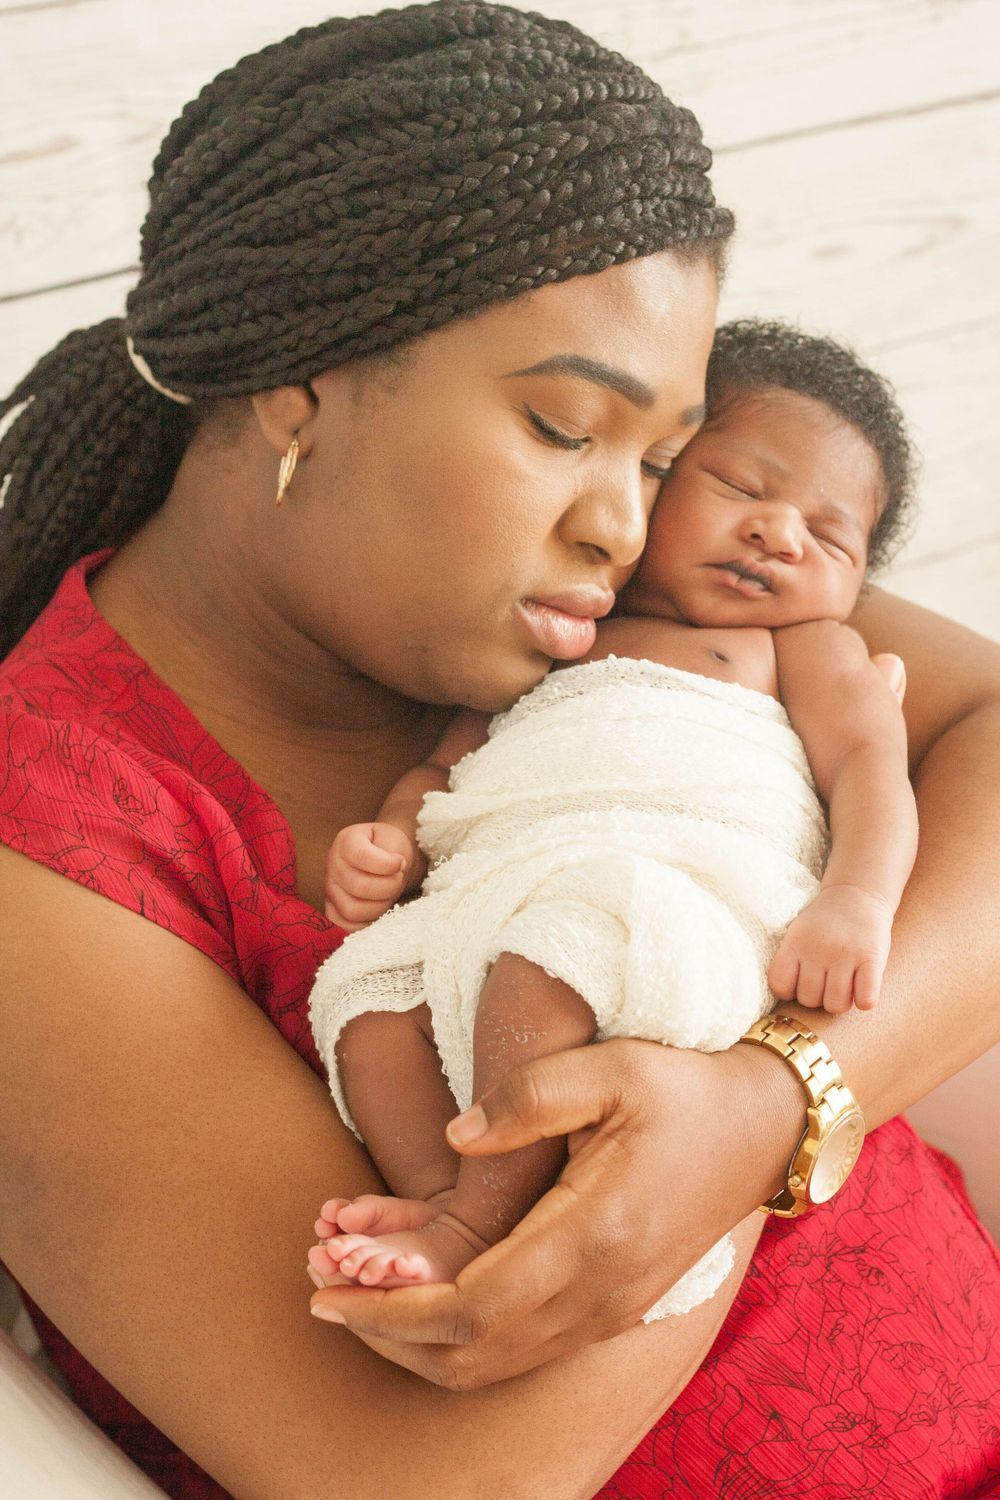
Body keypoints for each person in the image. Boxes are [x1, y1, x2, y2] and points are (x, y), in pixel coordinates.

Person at [0, 4, 997, 1496]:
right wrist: (692, 1119)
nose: (623, 521)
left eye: (663, 458)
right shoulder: (50, 851)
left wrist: (776, 1102)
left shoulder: (559, 605)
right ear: (299, 375)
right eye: (558, 427)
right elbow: (428, 1476)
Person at [306, 319, 920, 1307]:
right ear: (652, 483)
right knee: (365, 996)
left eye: (829, 534)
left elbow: (870, 771)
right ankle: (439, 1194)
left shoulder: (797, 647)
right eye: (740, 489)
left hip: (672, 909)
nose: (778, 532)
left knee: (554, 950)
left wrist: (853, 899)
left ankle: (475, 1227)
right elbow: (446, 766)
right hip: (500, 890)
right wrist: (390, 841)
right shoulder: (561, 626)